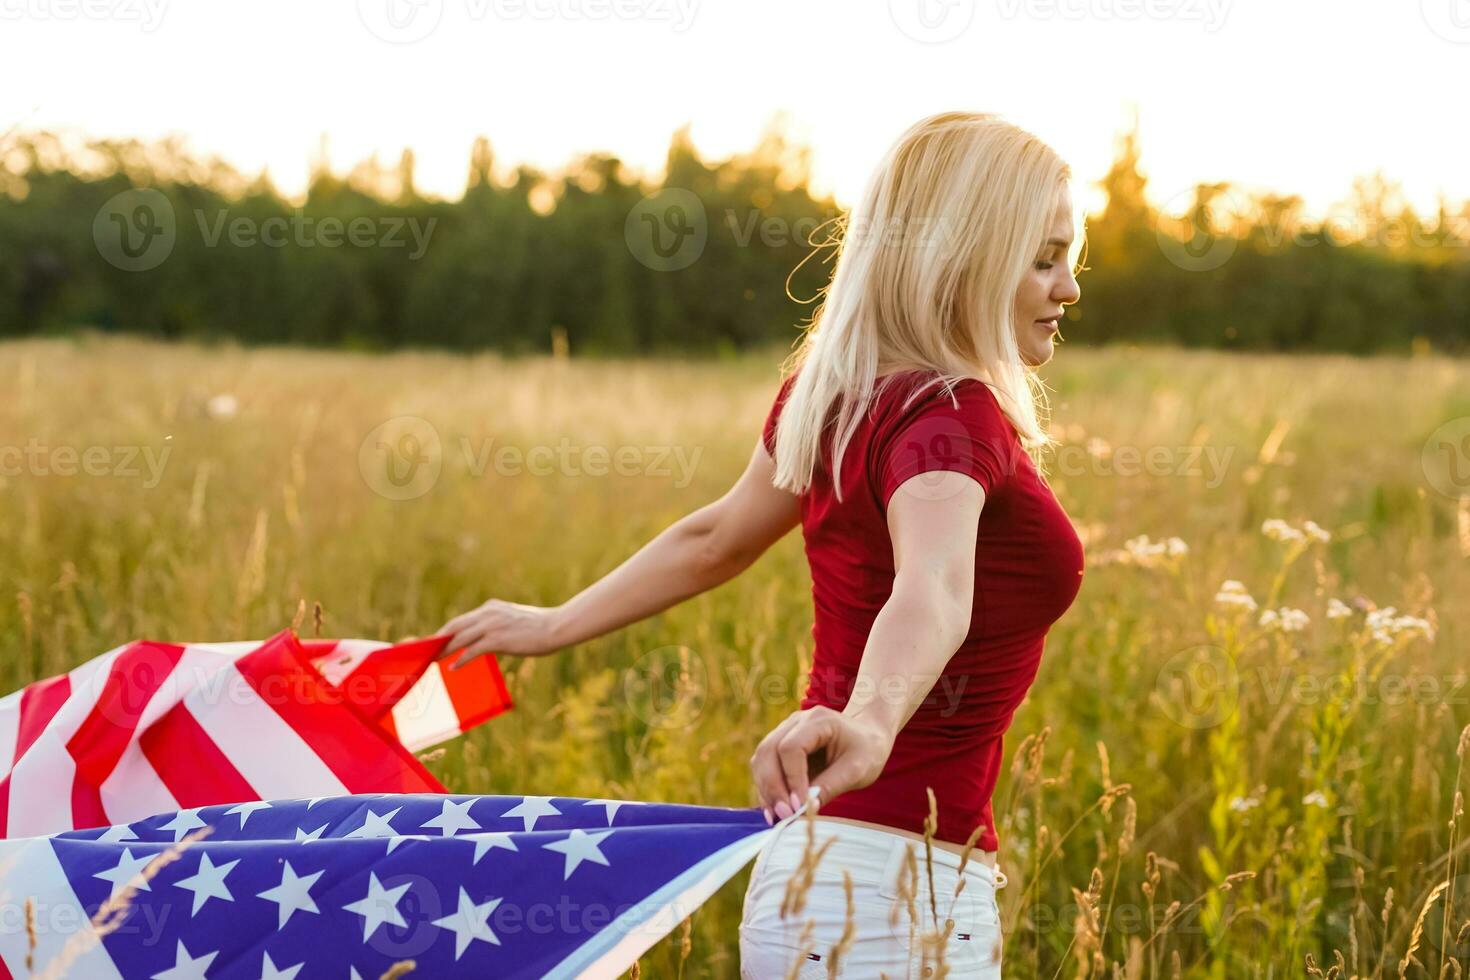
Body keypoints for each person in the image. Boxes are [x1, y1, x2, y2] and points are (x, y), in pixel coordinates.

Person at [437, 110, 1085, 977]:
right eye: (1043, 259)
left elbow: (716, 540)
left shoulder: (836, 396)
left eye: (1070, 260)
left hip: (810, 872)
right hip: (896, 892)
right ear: (964, 259)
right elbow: (931, 589)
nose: (1068, 289)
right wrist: (871, 721)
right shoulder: (952, 416)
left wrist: (557, 624)